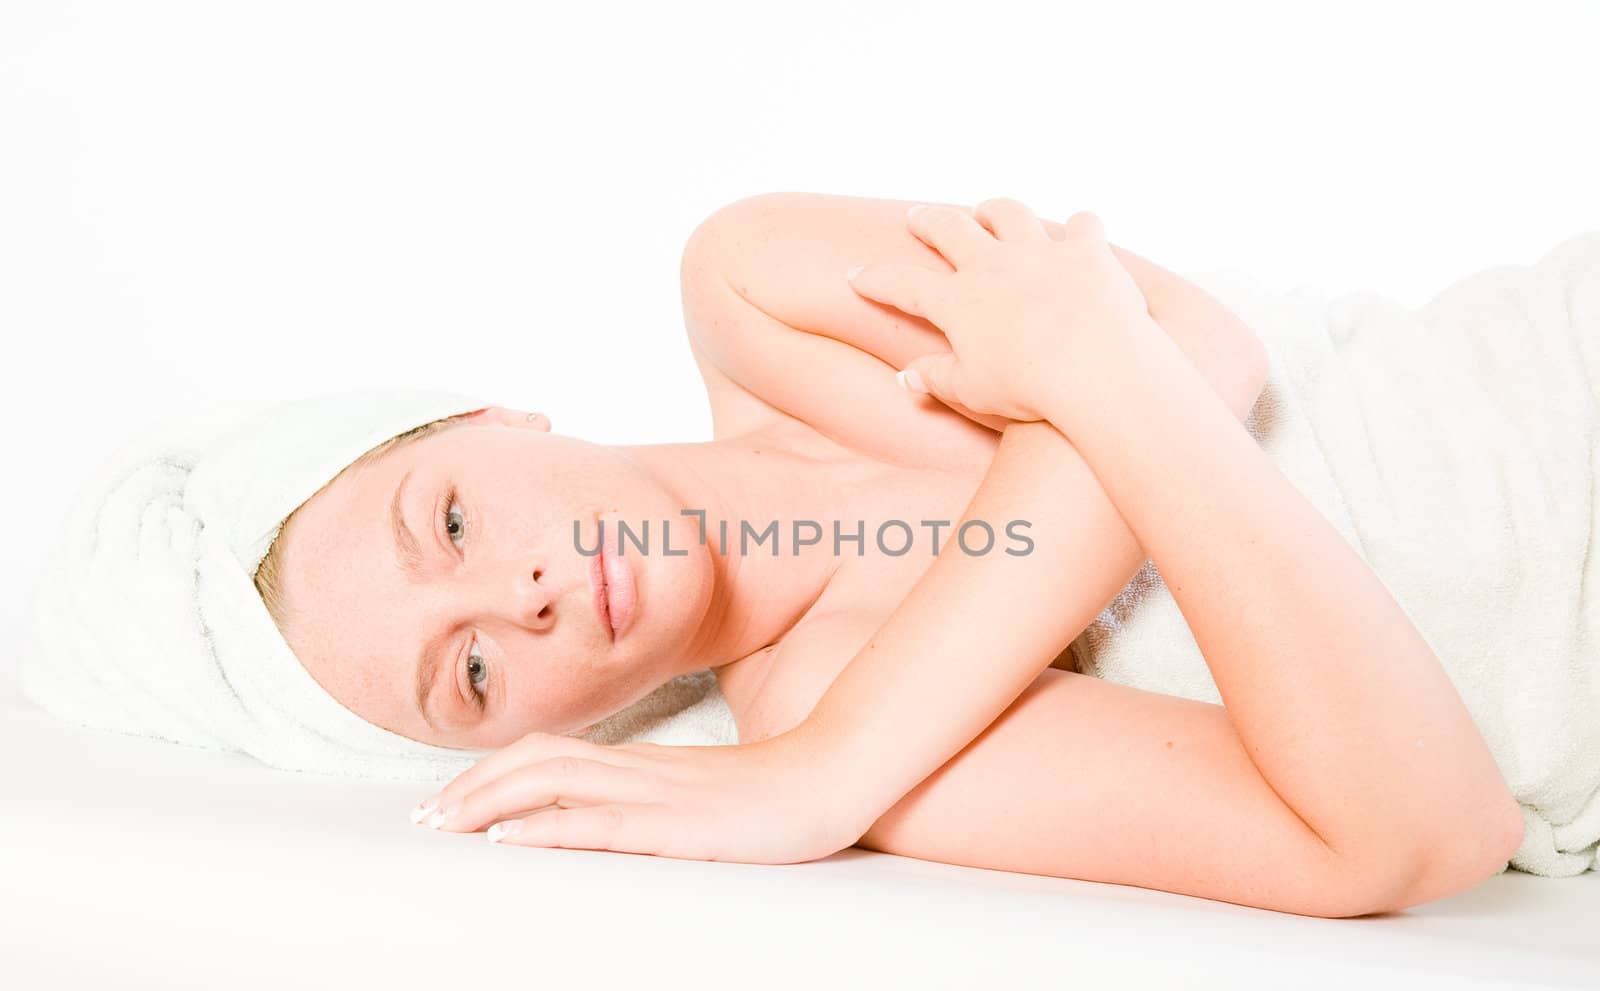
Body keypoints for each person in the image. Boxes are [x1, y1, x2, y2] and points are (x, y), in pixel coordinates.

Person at [247, 193, 1525, 918]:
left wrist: (831, 773)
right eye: (466, 671)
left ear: (493, 418)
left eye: (453, 520)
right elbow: (1415, 833)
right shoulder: (825, 707)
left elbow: (1197, 340)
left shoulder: (748, 295)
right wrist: (1080, 374)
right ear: (533, 739)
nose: (515, 596)